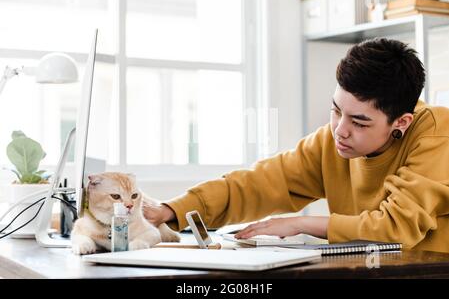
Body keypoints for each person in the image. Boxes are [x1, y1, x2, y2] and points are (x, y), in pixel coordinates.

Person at [144, 38, 449, 253]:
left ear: (401, 123)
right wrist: (173, 209)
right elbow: (259, 183)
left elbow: (395, 229)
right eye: (336, 110)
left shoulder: (436, 134)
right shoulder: (332, 142)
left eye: (359, 122)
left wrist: (299, 224)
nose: (339, 130)